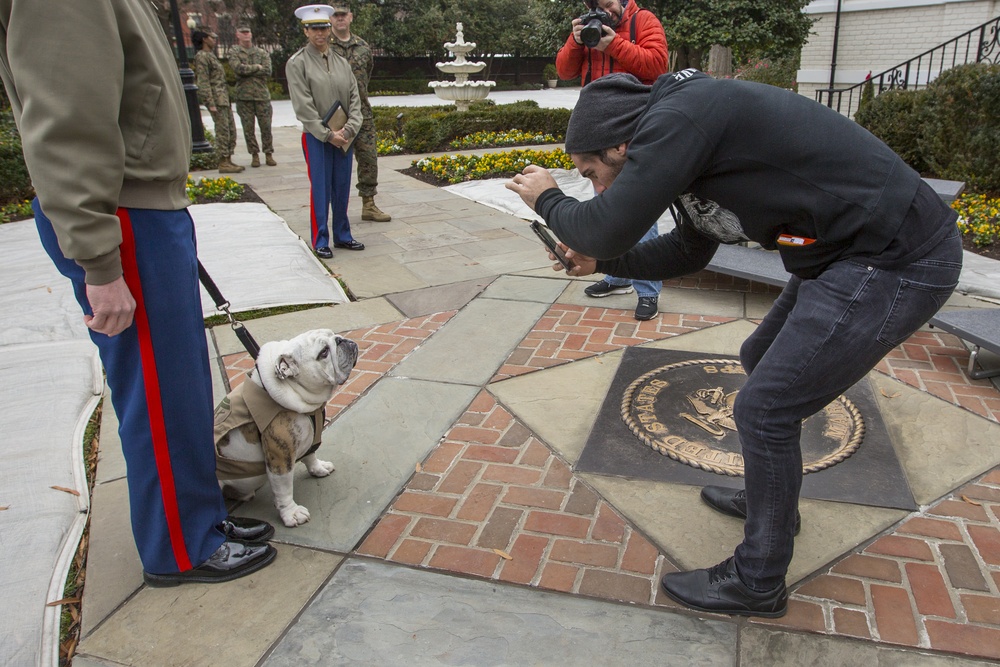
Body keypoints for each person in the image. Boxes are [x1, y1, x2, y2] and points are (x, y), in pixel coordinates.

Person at [507, 71, 962, 618]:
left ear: (620, 145)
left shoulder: (684, 117)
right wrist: (604, 264)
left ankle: (757, 581)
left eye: (594, 173)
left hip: (895, 257)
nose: (599, 188)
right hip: (843, 255)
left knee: (766, 408)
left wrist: (549, 200)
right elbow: (688, 252)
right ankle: (773, 501)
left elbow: (604, 225)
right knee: (759, 362)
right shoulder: (686, 146)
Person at [0, 0, 276, 585]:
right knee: (157, 398)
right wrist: (101, 262)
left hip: (139, 211)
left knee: (179, 387)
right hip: (122, 218)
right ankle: (180, 548)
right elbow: (67, 123)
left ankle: (198, 516)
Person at [557, 0, 669, 320]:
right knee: (606, 205)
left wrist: (614, 44)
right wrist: (577, 40)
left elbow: (657, 64)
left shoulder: (643, 21)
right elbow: (564, 69)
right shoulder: (585, 26)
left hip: (633, 129)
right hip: (597, 129)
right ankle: (618, 275)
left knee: (637, 209)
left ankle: (648, 289)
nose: (602, 7)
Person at [287, 4, 365, 259]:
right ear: (306, 31)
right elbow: (303, 105)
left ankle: (343, 235)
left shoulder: (341, 62)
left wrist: (350, 128)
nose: (319, 33)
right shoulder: (297, 63)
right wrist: (327, 134)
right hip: (318, 137)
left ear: (329, 29)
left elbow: (355, 98)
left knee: (342, 186)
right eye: (313, 29)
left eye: (323, 27)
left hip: (344, 136)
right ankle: (321, 239)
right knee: (321, 188)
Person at [329, 2, 392, 222]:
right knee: (335, 161)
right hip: (335, 114)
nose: (339, 19)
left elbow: (367, 76)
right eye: (335, 15)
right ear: (330, 19)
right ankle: (336, 208)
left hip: (362, 111)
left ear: (350, 17)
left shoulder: (363, 47)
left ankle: (369, 204)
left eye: (343, 15)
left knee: (368, 158)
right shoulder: (325, 47)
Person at [193, 29, 244, 174]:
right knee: (222, 131)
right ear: (204, 39)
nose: (214, 40)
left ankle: (227, 159)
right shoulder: (202, 57)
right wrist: (210, 102)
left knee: (230, 131)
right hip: (216, 99)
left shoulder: (210, 56)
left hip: (223, 99)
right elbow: (203, 81)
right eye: (212, 38)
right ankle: (223, 161)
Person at [230, 25, 276, 168]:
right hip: (244, 97)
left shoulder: (261, 53)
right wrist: (257, 67)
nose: (246, 35)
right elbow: (237, 68)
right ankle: (254, 155)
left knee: (266, 127)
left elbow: (268, 71)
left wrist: (248, 69)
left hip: (262, 95)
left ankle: (268, 154)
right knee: (248, 128)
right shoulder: (234, 52)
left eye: (248, 32)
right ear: (237, 34)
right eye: (243, 32)